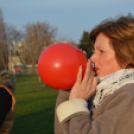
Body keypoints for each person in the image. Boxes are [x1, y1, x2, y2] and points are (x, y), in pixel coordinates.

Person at [55, 15, 134, 134]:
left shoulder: (129, 96)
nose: (92, 59)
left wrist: (76, 103)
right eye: (94, 51)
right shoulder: (98, 91)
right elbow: (63, 131)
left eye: (101, 51)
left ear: (126, 56)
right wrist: (69, 88)